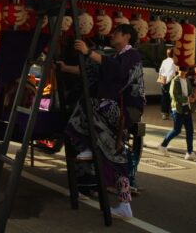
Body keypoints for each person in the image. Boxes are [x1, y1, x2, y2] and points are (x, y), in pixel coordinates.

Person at [60, 23, 145, 221]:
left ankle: (88, 144)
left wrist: (88, 51)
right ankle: (125, 206)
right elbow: (91, 72)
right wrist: (66, 68)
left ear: (126, 37)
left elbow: (117, 71)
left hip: (124, 111)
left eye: (116, 33)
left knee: (88, 103)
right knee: (117, 157)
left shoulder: (132, 56)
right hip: (111, 110)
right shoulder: (115, 57)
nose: (112, 35)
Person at [158, 66, 196, 160]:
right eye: (181, 70)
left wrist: (193, 96)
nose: (182, 72)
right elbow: (174, 96)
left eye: (184, 70)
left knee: (190, 130)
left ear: (187, 71)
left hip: (186, 108)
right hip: (177, 108)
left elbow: (189, 92)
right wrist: (187, 99)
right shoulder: (175, 81)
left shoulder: (187, 80)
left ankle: (189, 152)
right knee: (177, 130)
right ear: (178, 70)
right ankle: (163, 145)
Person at [158, 47, 177, 120]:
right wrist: (168, 80)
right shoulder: (174, 62)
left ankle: (164, 114)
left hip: (163, 80)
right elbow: (172, 73)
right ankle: (173, 113)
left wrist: (162, 80)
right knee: (172, 97)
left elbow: (160, 70)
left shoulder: (164, 61)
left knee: (164, 97)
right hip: (171, 81)